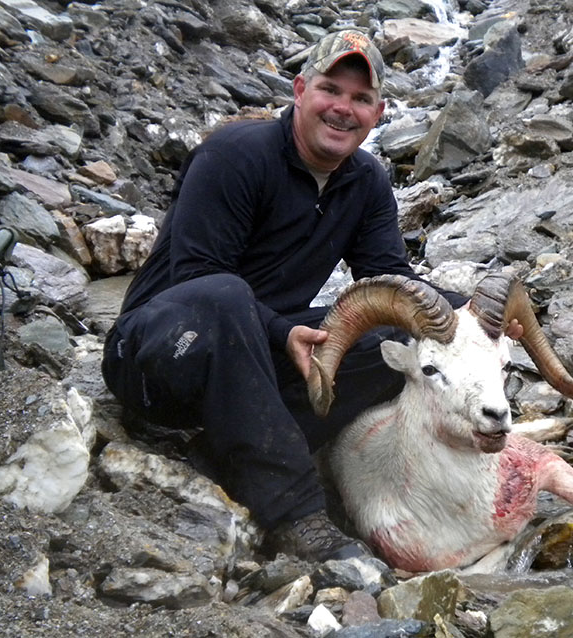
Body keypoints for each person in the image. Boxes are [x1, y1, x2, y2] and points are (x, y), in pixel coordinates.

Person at [101, 29, 471, 562]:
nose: (344, 109)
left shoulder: (366, 181)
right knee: (226, 295)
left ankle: (228, 451)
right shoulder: (235, 156)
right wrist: (279, 330)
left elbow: (391, 279)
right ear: (299, 90)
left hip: (259, 356)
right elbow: (197, 276)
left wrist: (471, 312)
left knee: (395, 336)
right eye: (330, 91)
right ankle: (296, 513)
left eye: (361, 98)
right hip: (159, 359)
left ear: (379, 112)